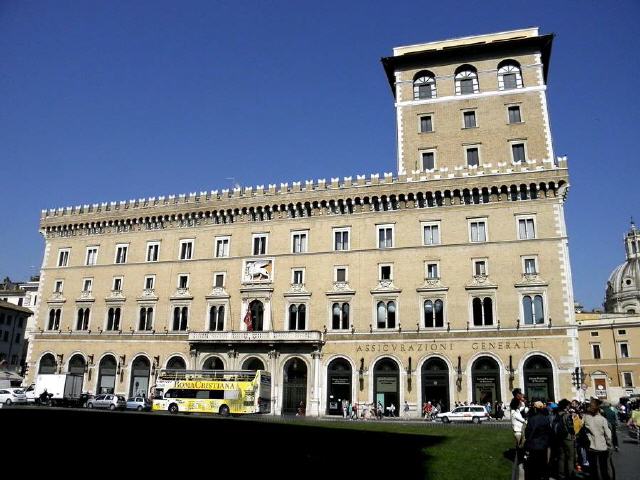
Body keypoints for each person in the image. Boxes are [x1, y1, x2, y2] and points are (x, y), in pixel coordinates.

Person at [583, 398, 612, 480]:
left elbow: (580, 428)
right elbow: (608, 435)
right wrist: (609, 444)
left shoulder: (585, 418)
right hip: (602, 447)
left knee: (593, 467)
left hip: (591, 446)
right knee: (604, 467)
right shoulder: (602, 419)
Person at [524, 401, 552, 480]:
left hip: (534, 445)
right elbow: (549, 432)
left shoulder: (532, 419)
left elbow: (527, 433)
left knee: (533, 466)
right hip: (543, 445)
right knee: (543, 464)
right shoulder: (546, 418)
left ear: (535, 408)